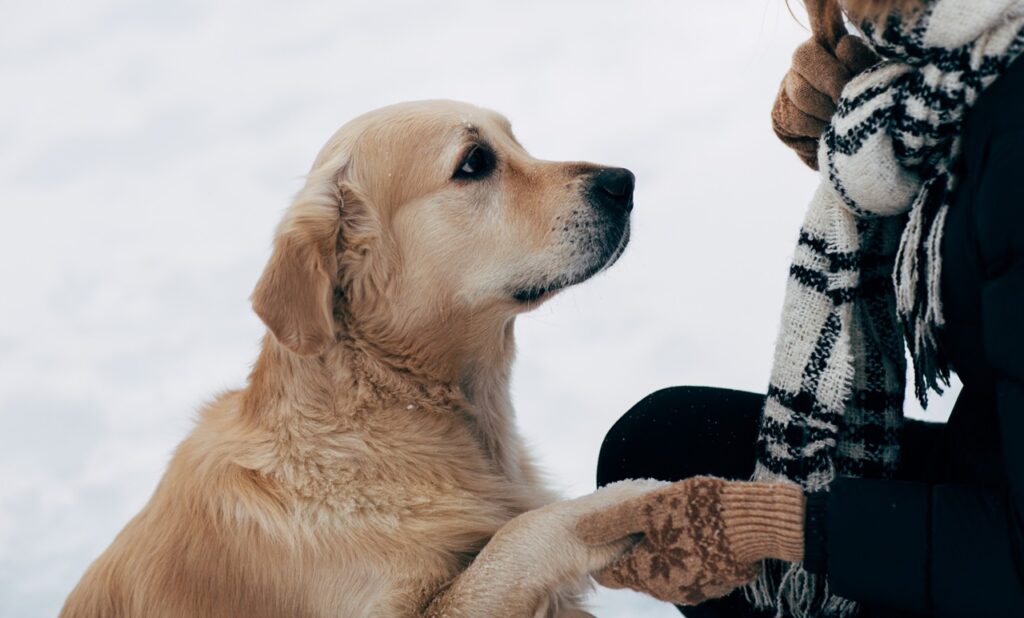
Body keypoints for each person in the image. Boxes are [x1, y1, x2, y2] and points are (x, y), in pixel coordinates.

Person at [574, 0, 1024, 616]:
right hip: (991, 465)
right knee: (662, 448)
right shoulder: (975, 70)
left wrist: (788, 527)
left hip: (1004, 552)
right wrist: (875, 144)